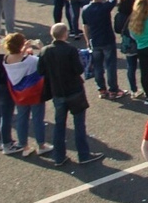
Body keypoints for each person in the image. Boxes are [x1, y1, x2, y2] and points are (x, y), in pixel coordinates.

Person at [37, 22, 105, 166]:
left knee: (59, 125)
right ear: (65, 34)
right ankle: (83, 155)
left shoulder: (45, 51)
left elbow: (41, 71)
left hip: (57, 93)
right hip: (74, 91)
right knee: (79, 124)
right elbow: (79, 69)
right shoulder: (70, 50)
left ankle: (59, 156)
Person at [2, 33, 51, 156]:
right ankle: (41, 145)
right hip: (34, 93)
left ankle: (24, 146)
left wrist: (23, 49)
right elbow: (42, 62)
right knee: (37, 119)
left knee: (22, 119)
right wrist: (41, 48)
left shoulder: (6, 59)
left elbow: (18, 58)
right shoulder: (30, 60)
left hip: (18, 94)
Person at [80, 0, 124, 99]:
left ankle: (102, 89)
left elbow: (85, 27)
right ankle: (113, 90)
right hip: (107, 39)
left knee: (98, 66)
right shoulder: (105, 7)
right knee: (110, 66)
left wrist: (87, 40)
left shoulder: (85, 9)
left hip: (94, 41)